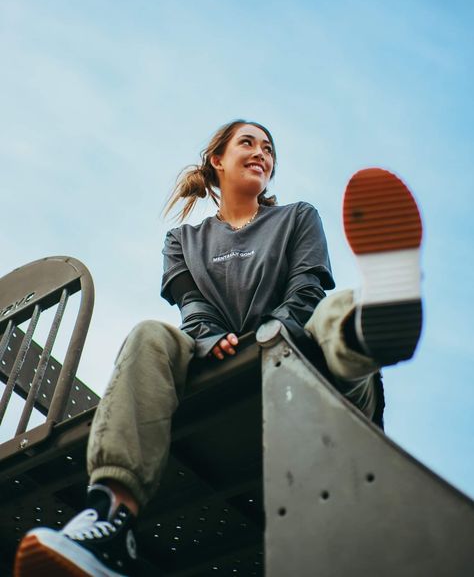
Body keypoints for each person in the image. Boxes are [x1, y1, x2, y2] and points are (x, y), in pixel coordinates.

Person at [15, 120, 423, 577]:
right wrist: (209, 339)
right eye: (247, 143)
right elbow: (193, 307)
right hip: (228, 371)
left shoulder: (297, 216)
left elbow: (307, 288)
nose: (261, 153)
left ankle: (375, 327)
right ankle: (108, 520)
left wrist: (275, 334)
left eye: (268, 149)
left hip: (315, 368)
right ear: (217, 160)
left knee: (334, 308)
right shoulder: (181, 242)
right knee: (150, 334)